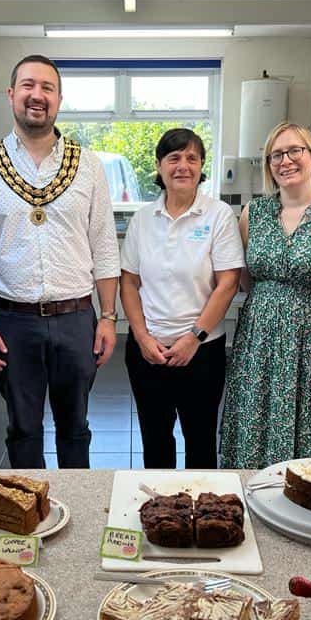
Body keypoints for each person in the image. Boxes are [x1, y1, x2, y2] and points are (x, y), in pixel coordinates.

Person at [0, 54, 119, 468]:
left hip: (75, 317)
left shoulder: (87, 165)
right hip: (12, 321)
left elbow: (103, 245)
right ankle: (29, 519)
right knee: (23, 430)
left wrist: (108, 317)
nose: (37, 95)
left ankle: (77, 515)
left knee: (75, 428)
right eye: (28, 85)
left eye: (47, 87)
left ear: (59, 99)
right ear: (11, 95)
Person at [220, 121, 311, 468]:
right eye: (276, 155)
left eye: (294, 151)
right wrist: (273, 306)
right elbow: (245, 276)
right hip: (259, 337)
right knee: (256, 411)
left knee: (308, 417)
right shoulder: (252, 214)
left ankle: (306, 498)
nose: (285, 161)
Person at [121, 129, 243, 468]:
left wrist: (194, 337)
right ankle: (162, 516)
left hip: (202, 353)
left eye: (192, 158)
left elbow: (228, 282)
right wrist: (143, 338)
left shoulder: (218, 215)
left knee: (200, 441)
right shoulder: (143, 219)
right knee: (155, 441)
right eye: (174, 158)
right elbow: (129, 283)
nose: (182, 166)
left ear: (202, 165)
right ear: (159, 166)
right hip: (149, 353)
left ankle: (203, 517)